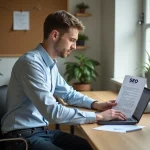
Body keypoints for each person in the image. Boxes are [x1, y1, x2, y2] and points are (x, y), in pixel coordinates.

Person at [1, 10, 126, 150]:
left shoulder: (49, 64)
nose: (74, 46)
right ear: (55, 35)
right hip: (20, 137)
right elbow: (52, 111)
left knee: (86, 147)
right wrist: (99, 117)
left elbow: (68, 94)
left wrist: (96, 105)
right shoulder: (30, 63)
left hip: (42, 131)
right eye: (72, 40)